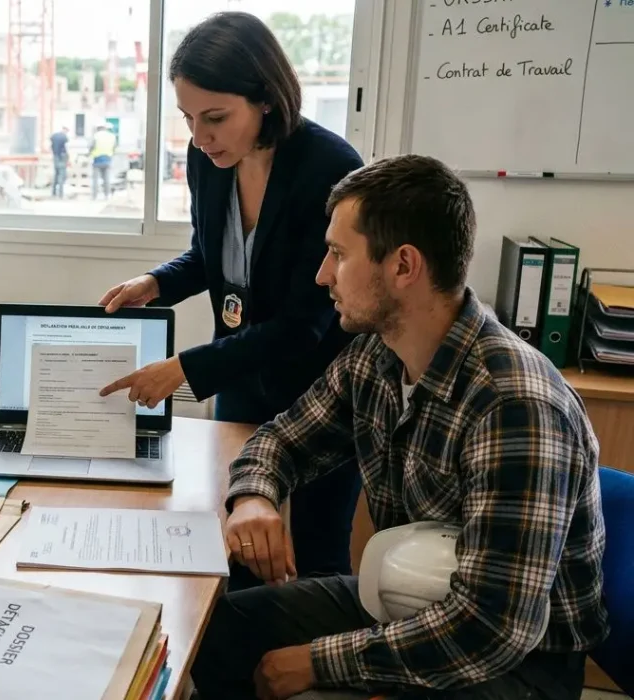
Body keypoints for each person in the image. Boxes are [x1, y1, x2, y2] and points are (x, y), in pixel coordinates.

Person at [189, 154, 609, 699]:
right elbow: (280, 440)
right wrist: (253, 498)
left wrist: (320, 662)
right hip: (405, 597)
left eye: (339, 254)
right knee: (218, 634)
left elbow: (491, 628)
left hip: (518, 665)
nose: (322, 275)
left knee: (297, 667)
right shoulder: (377, 355)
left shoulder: (513, 406)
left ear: (403, 266)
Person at [98, 12, 364, 585]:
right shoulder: (207, 160)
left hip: (322, 388)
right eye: (189, 119)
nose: (199, 136)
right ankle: (231, 664)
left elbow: (303, 324)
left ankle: (318, 665)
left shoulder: (329, 168)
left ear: (265, 98)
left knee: (318, 550)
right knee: (235, 534)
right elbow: (210, 256)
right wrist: (157, 283)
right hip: (243, 373)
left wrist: (185, 369)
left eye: (215, 118)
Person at [89, 123, 116, 200]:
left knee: (95, 179)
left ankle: (95, 196)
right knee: (106, 179)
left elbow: (91, 146)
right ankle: (107, 195)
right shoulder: (112, 136)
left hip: (97, 160)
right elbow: (114, 148)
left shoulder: (95, 136)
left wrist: (89, 153)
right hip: (107, 159)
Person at [50, 125, 70, 198]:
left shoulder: (54, 136)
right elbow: (67, 149)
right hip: (62, 157)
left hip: (55, 157)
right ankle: (61, 194)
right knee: (62, 175)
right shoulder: (64, 138)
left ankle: (54, 192)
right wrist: (68, 159)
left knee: (56, 174)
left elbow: (51, 146)